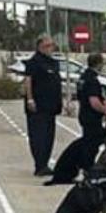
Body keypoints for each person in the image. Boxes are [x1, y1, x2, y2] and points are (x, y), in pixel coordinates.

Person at [46, 53, 106, 185]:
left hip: (84, 115)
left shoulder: (83, 78)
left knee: (88, 142)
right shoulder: (92, 80)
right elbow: (94, 102)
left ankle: (85, 169)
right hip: (92, 117)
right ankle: (88, 170)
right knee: (91, 146)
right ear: (99, 64)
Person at [23, 36, 63, 177]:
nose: (51, 48)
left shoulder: (53, 62)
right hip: (38, 106)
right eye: (48, 46)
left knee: (49, 137)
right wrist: (30, 99)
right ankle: (39, 165)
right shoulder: (34, 62)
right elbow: (28, 80)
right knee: (38, 136)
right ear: (40, 47)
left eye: (52, 45)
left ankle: (45, 164)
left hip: (51, 106)